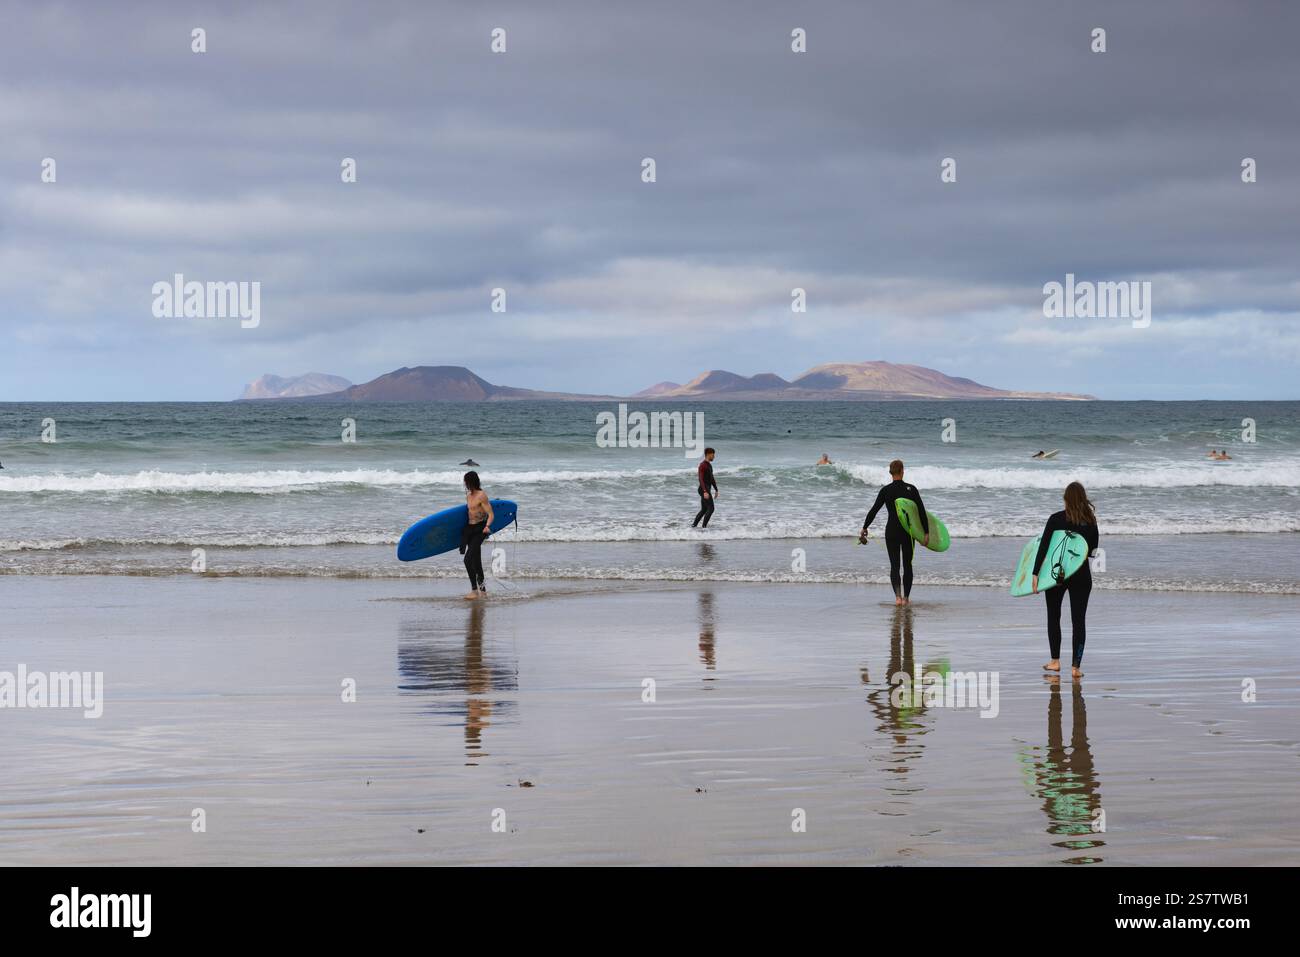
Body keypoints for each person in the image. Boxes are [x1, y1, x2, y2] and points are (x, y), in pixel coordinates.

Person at [1031, 481, 1100, 679]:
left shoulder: (1055, 519)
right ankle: (1076, 668)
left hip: (1056, 575)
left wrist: (1035, 574)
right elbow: (1093, 551)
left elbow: (1043, 548)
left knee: (1054, 616)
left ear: (1066, 499)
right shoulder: (1091, 521)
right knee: (1079, 621)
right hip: (1081, 575)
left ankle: (1055, 661)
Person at [858, 459, 928, 606]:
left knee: (894, 565)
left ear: (891, 472)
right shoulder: (911, 489)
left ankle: (897, 598)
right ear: (902, 470)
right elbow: (921, 512)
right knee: (907, 565)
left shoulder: (886, 490)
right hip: (908, 532)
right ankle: (906, 599)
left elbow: (874, 510)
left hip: (891, 532)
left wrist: (865, 527)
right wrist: (925, 533)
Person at [459, 470, 494, 599]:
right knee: (476, 561)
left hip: (480, 529)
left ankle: (474, 590)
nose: (464, 484)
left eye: (466, 482)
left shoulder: (481, 495)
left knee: (467, 560)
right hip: (470, 529)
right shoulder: (468, 496)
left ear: (471, 482)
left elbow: (491, 514)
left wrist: (487, 526)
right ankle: (483, 592)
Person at [692, 447, 719, 529]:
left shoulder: (709, 465)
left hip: (706, 489)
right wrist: (705, 491)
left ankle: (693, 526)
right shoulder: (702, 465)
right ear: (708, 454)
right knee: (711, 508)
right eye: (713, 455)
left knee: (704, 509)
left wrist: (716, 489)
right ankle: (704, 528)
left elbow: (711, 478)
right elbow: (700, 479)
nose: (714, 456)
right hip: (703, 489)